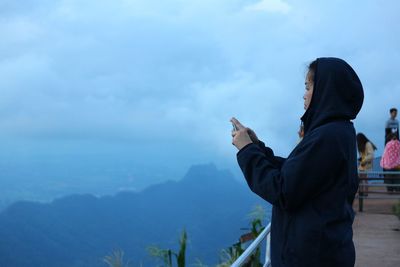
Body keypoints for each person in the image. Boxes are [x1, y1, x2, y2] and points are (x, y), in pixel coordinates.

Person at [231, 57, 363, 267]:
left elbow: (282, 190)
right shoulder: (336, 131)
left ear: (326, 91)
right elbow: (297, 173)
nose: (304, 93)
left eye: (308, 86)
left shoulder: (327, 136)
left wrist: (247, 151)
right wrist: (257, 148)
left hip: (312, 256)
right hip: (323, 251)